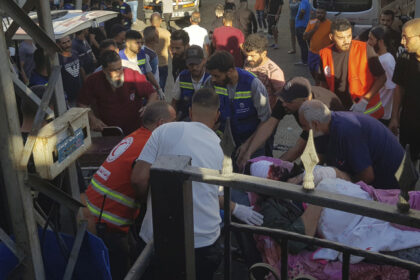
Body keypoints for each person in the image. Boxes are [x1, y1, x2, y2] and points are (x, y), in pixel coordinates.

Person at [131, 88, 224, 280]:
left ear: (190, 112)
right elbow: (217, 197)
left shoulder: (164, 130)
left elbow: (139, 178)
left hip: (158, 238)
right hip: (204, 243)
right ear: (217, 116)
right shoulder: (219, 148)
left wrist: (146, 200)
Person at [84, 101, 176, 280]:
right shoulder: (150, 144)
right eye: (174, 122)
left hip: (94, 210)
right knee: (117, 272)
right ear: (161, 124)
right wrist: (145, 200)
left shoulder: (136, 136)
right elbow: (139, 180)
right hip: (108, 222)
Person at [236, 77, 344, 169]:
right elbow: (269, 124)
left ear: (305, 100)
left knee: (311, 170)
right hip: (310, 126)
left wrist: (275, 169)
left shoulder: (318, 111)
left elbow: (299, 149)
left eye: (289, 102)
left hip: (335, 135)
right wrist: (249, 152)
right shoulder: (286, 100)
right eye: (283, 99)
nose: (284, 104)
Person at [299, 100, 404, 189]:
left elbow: (367, 177)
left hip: (393, 181)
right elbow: (317, 160)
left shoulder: (347, 131)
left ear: (315, 124)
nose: (303, 130)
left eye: (304, 126)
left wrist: (341, 183)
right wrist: (299, 177)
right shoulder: (324, 129)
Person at [204, 51, 271, 167]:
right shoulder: (210, 83)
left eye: (216, 76)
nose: (213, 79)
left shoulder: (254, 85)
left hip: (253, 145)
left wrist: (248, 147)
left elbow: (265, 121)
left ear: (230, 71)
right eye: (212, 75)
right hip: (223, 145)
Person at [318, 18, 386, 120]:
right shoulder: (324, 54)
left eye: (349, 36)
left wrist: (365, 100)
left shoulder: (365, 49)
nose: (346, 41)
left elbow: (382, 77)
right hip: (339, 110)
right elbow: (323, 83)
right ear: (331, 37)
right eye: (341, 37)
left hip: (366, 112)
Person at [78, 50, 158, 134]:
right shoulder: (93, 80)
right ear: (104, 70)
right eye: (113, 70)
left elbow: (152, 93)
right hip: (110, 131)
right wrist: (92, 118)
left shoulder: (132, 75)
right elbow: (82, 103)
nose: (118, 73)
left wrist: (148, 106)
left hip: (135, 130)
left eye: (120, 68)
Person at [389, 18, 420, 168]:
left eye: (405, 37)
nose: (402, 42)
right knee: (408, 165)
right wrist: (394, 116)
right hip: (409, 122)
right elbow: (399, 88)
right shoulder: (404, 59)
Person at [242, 33, 285, 111]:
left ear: (264, 54)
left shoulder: (275, 72)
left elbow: (282, 98)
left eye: (252, 55)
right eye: (247, 55)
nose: (248, 59)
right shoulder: (248, 62)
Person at [367, 25, 397, 126]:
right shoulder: (379, 58)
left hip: (380, 114)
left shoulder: (387, 60)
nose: (368, 42)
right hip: (374, 111)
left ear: (381, 41)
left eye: (371, 39)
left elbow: (393, 88)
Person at [171, 46, 210, 121]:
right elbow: (174, 102)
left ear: (204, 61)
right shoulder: (182, 77)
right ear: (186, 63)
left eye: (197, 64)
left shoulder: (211, 78)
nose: (194, 68)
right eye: (191, 65)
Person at [303, 7, 331, 83]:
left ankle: (319, 86)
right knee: (312, 70)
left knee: (320, 73)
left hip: (324, 54)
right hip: (312, 53)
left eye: (321, 13)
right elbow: (305, 37)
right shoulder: (312, 22)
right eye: (318, 13)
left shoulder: (330, 24)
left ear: (325, 14)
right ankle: (317, 83)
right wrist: (315, 28)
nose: (319, 15)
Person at [56, 35, 83, 106]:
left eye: (68, 41)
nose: (67, 45)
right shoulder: (57, 60)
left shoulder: (75, 53)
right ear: (58, 44)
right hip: (68, 98)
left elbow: (81, 70)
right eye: (64, 43)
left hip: (80, 94)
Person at [150, 12, 171, 90]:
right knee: (161, 88)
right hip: (162, 64)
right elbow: (171, 49)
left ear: (150, 21)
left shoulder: (145, 33)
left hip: (149, 65)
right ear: (161, 21)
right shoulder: (167, 33)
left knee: (150, 88)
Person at [142, 26, 162, 98]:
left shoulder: (149, 51)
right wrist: (158, 88)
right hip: (151, 89)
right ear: (153, 38)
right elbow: (148, 73)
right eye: (157, 34)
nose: (158, 36)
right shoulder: (146, 53)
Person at [294, 0, 310, 65]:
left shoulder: (303, 2)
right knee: (307, 44)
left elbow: (302, 11)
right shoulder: (306, 2)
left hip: (301, 26)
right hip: (305, 25)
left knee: (302, 44)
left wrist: (299, 18)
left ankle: (304, 61)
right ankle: (307, 59)